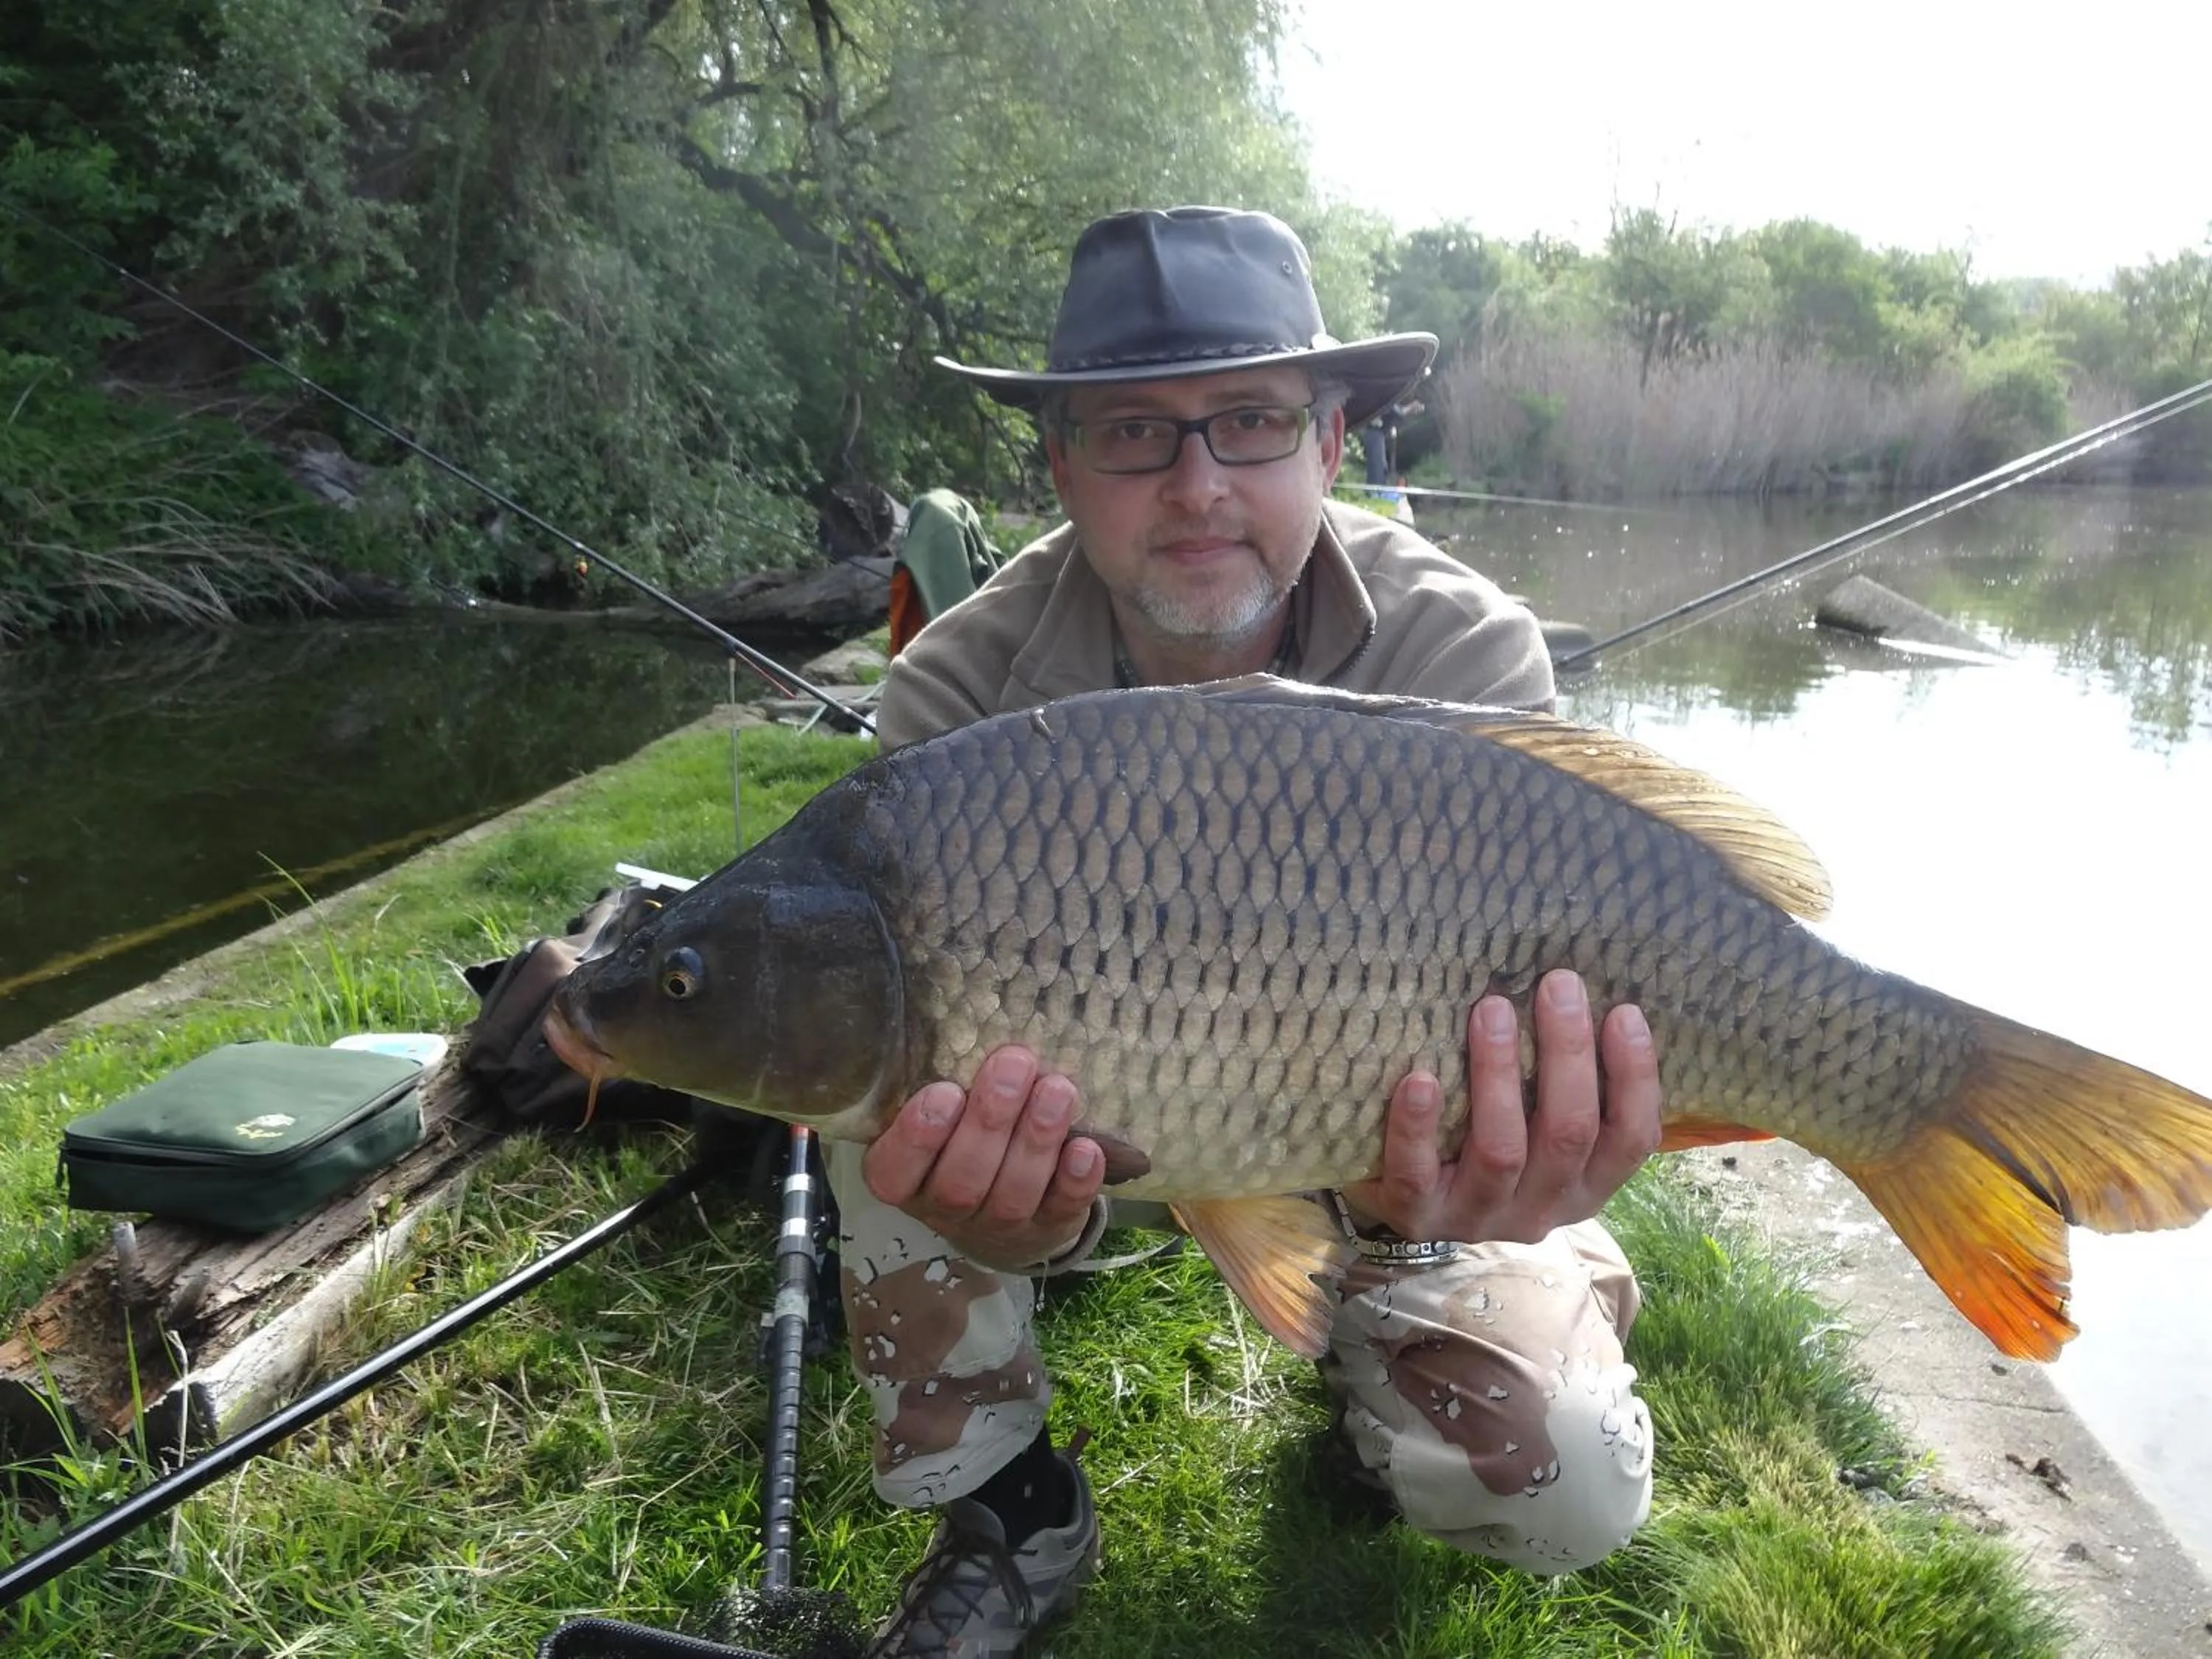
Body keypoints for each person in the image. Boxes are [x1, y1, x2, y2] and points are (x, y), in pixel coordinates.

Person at [833, 206, 1664, 1658]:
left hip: (1396, 1140)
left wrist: (1487, 1179)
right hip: (1073, 1132)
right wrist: (1019, 1216)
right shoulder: (954, 699)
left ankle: (1381, 1379)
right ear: (1061, 469)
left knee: (1569, 1487)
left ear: (1330, 447)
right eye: (1137, 435)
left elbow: (1561, 1032)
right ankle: (1003, 1494)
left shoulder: (1466, 652)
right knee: (865, 1050)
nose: (1199, 485)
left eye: (1252, 424)